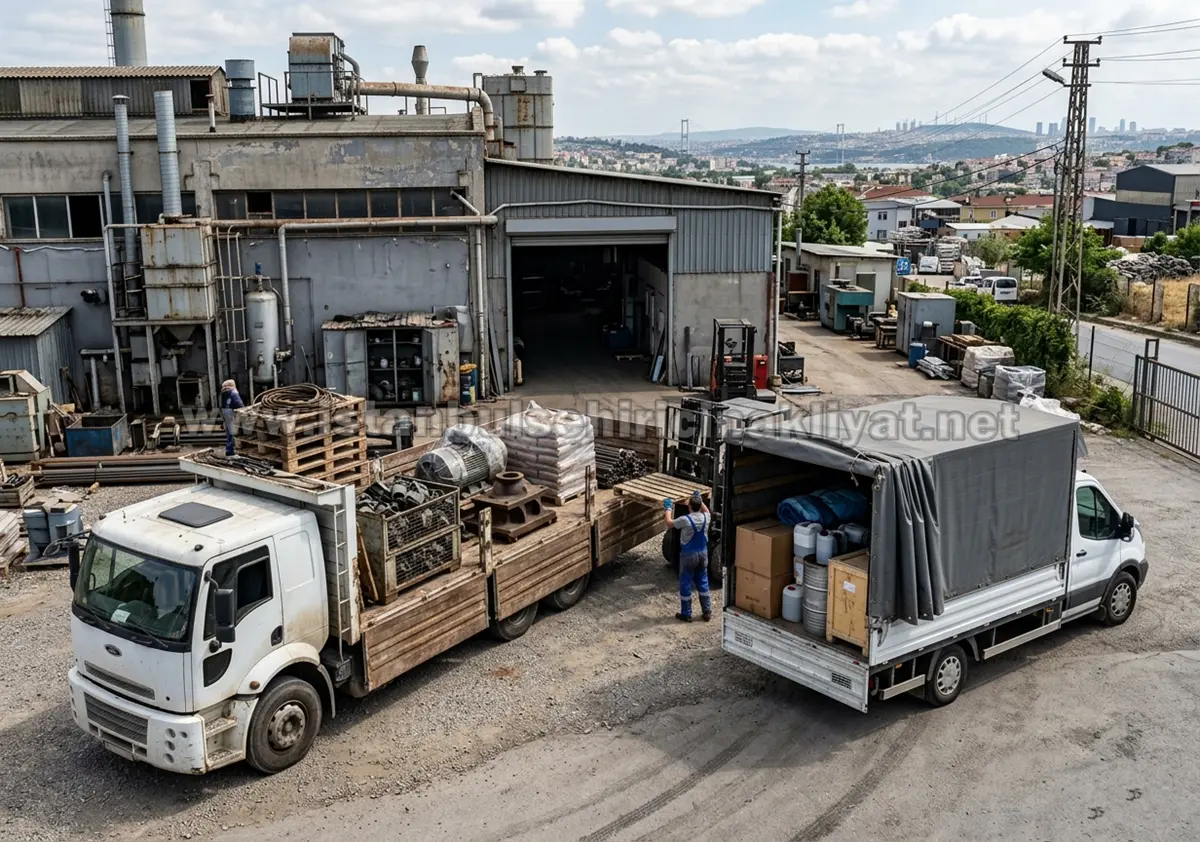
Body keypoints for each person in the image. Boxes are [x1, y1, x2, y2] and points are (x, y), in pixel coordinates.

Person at [664, 491, 712, 623]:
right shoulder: (706, 517)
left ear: (689, 506)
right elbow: (707, 510)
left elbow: (669, 523)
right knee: (702, 581)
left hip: (688, 555)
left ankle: (686, 613)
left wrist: (668, 508)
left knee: (686, 582)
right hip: (703, 554)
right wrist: (699, 499)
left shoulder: (685, 520)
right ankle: (707, 611)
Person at [220, 379, 244, 456]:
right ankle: (232, 452)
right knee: (234, 435)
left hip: (227, 414)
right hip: (233, 415)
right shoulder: (234, 393)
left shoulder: (224, 394)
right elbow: (239, 405)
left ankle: (229, 451)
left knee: (229, 435)